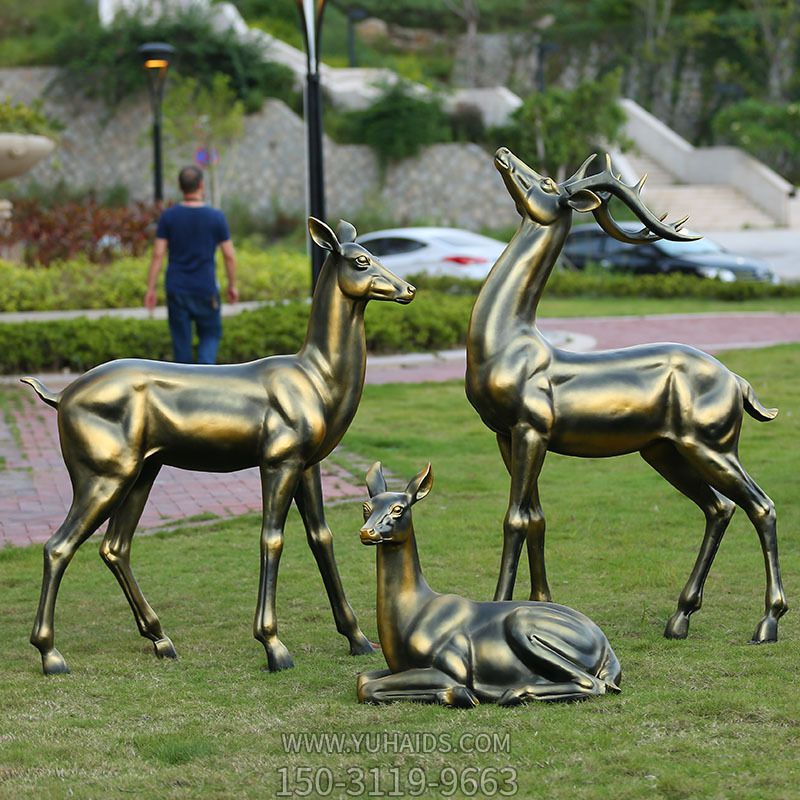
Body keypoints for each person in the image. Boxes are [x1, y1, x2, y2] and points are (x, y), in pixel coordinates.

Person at [145, 165, 238, 364]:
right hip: (206, 288)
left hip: (177, 289)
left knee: (181, 345)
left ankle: (184, 380)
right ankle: (206, 373)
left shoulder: (168, 217)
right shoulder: (216, 217)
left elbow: (158, 254)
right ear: (201, 185)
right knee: (210, 336)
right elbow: (229, 255)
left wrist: (151, 288)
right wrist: (232, 286)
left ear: (181, 187)